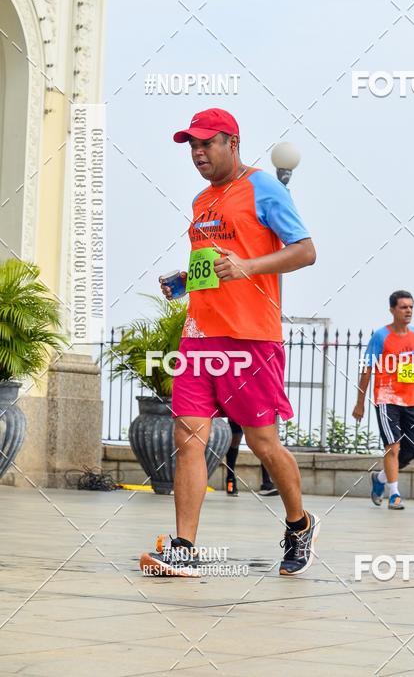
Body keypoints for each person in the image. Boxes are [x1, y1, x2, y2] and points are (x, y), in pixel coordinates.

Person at [139, 108, 317, 576]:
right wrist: (185, 279)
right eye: (192, 147)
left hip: (251, 338)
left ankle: (299, 525)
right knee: (188, 436)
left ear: (232, 144)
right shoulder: (202, 200)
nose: (198, 154)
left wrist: (249, 267)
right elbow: (214, 261)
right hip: (200, 336)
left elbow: (305, 250)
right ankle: (183, 548)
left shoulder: (264, 187)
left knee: (262, 442)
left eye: (206, 144)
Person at [352, 290, 414, 509]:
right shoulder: (381, 337)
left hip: (410, 400)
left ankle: (380, 479)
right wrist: (360, 403)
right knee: (393, 447)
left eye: (411, 307)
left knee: (410, 450)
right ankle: (394, 494)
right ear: (392, 310)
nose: (408, 311)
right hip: (386, 398)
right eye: (403, 307)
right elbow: (367, 371)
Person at [225, 418, 278, 497]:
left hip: (258, 408)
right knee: (235, 439)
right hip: (237, 408)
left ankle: (266, 483)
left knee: (263, 440)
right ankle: (230, 481)